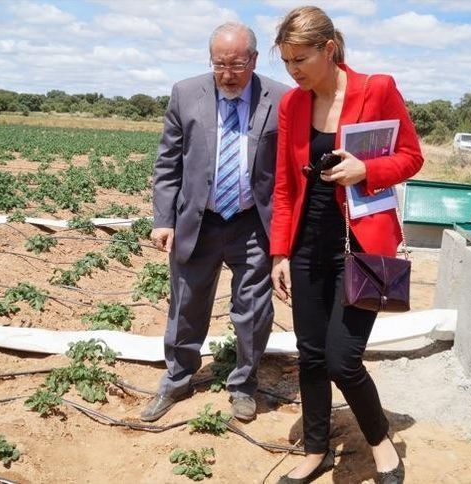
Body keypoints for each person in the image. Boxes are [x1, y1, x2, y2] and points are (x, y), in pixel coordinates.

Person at [270, 6, 423, 484]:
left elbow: (411, 156)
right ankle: (316, 449)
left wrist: (367, 170)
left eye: (301, 59)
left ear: (328, 49)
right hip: (308, 245)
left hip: (361, 246)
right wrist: (280, 252)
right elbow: (282, 186)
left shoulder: (375, 89)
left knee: (342, 357)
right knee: (310, 352)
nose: (293, 71)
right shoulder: (292, 104)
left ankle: (381, 444)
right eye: (287, 62)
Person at [142, 22, 289, 423]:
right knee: (186, 304)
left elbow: (288, 173)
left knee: (253, 310)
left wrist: (285, 237)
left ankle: (244, 385)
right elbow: (168, 162)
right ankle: (178, 377)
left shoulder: (281, 98)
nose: (226, 74)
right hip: (199, 220)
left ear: (254, 60)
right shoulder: (186, 93)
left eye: (236, 65)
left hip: (252, 224)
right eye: (218, 64)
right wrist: (163, 219)